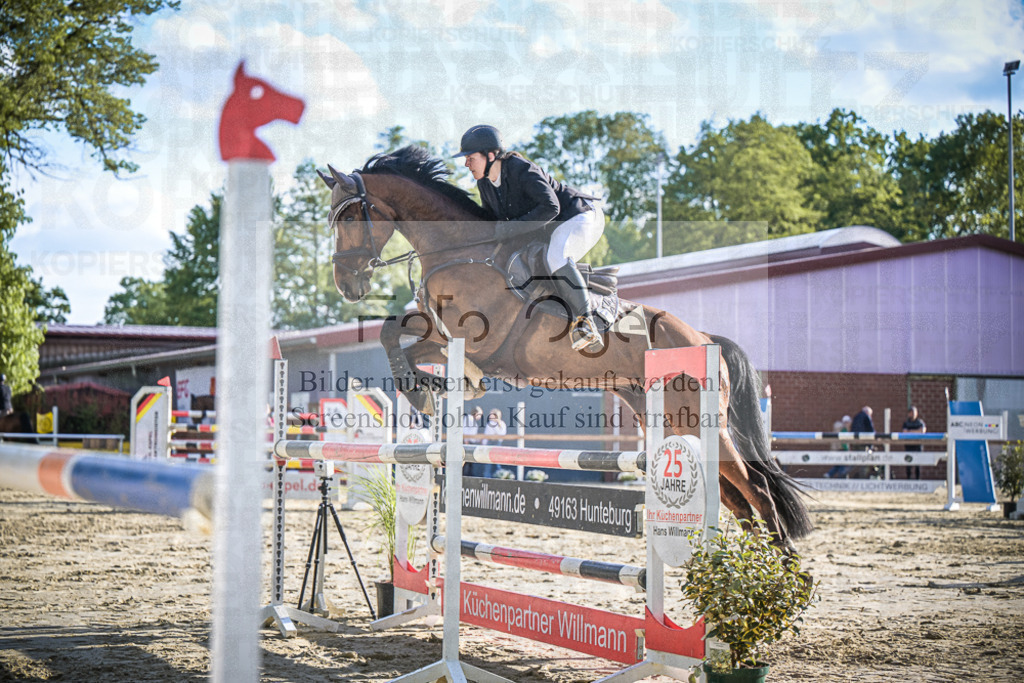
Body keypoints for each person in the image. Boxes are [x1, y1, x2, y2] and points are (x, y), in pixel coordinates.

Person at [454, 124, 605, 353]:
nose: (466, 164)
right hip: (550, 229)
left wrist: (510, 228)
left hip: (579, 216)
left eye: (470, 157)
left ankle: (587, 322)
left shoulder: (520, 169)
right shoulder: (484, 184)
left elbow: (551, 207)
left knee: (557, 256)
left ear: (491, 155)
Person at [480, 408, 508, 478]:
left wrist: (483, 444)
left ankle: (487, 476)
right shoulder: (502, 424)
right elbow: (502, 435)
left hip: (490, 444)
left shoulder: (491, 424)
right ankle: (501, 475)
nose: (489, 416)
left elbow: (487, 435)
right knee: (497, 460)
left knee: (488, 461)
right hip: (498, 444)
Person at [901, 406, 926, 480]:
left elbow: (922, 431)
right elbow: (904, 432)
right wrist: (916, 432)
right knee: (908, 463)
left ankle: (917, 479)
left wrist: (910, 431)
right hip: (909, 446)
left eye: (914, 413)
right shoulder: (906, 423)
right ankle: (909, 479)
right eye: (911, 413)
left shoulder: (920, 422)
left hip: (918, 446)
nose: (913, 414)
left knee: (917, 464)